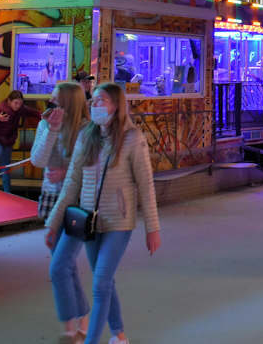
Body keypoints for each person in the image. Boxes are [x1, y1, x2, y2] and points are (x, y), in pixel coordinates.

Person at [45, 83, 160, 344]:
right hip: (89, 221)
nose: (96, 105)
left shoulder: (133, 139)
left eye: (102, 101)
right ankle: (119, 334)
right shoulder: (87, 136)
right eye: (93, 101)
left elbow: (145, 185)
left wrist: (152, 228)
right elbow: (72, 182)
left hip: (118, 221)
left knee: (100, 284)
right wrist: (54, 224)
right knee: (104, 282)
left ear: (117, 106)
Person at [32, 82, 91, 340]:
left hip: (77, 204)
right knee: (64, 264)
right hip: (51, 199)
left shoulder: (88, 130)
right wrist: (52, 130)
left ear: (69, 102)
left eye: (56, 100)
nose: (51, 104)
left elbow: (96, 168)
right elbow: (38, 160)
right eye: (51, 99)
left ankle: (70, 328)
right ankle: (82, 321)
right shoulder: (46, 124)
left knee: (60, 265)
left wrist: (67, 172)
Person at [0, 89, 41, 193]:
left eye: (20, 103)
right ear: (9, 101)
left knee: (6, 166)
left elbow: (33, 112)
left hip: (7, 141)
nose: (18, 106)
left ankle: (7, 191)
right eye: (16, 103)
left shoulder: (20, 109)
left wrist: (44, 116)